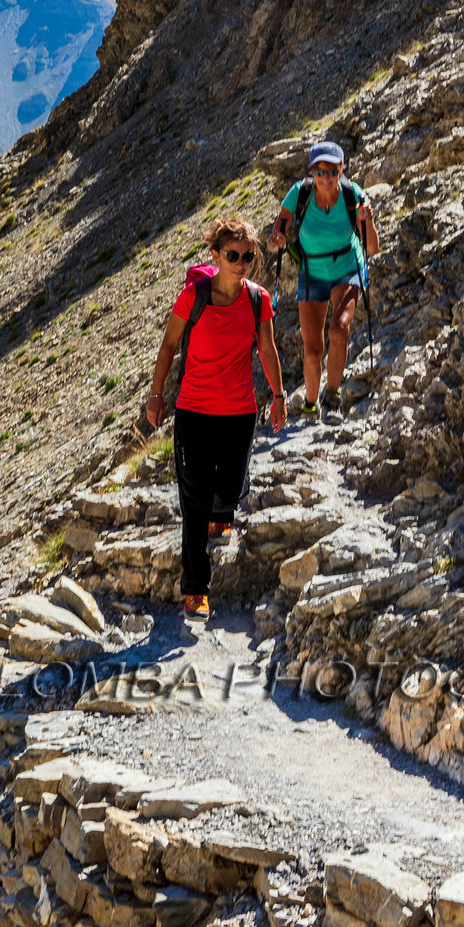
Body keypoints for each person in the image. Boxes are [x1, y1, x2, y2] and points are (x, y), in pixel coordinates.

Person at [142, 214, 287, 620]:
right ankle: (195, 591)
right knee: (194, 501)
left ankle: (223, 513)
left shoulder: (258, 299)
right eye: (233, 255)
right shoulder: (194, 297)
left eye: (247, 255)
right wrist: (156, 396)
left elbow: (268, 350)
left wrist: (278, 395)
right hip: (193, 411)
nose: (241, 262)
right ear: (216, 255)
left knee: (230, 487)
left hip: (240, 411)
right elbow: (169, 345)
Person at [269, 140, 379, 424]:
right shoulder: (300, 192)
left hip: (346, 267)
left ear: (341, 169)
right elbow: (278, 230)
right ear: (311, 173)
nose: (325, 177)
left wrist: (368, 221)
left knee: (339, 328)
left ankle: (332, 397)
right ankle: (310, 403)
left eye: (331, 171)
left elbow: (373, 248)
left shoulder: (352, 194)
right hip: (311, 270)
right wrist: (276, 239)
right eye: (319, 171)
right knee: (313, 348)